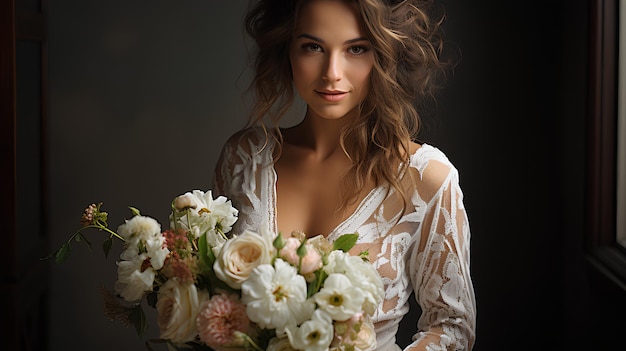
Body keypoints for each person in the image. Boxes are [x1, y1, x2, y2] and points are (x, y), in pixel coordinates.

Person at [213, 0, 476, 350]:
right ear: (286, 49)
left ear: (383, 55)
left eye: (356, 49)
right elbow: (214, 300)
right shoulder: (245, 158)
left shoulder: (426, 178)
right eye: (313, 47)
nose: (331, 72)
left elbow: (452, 326)